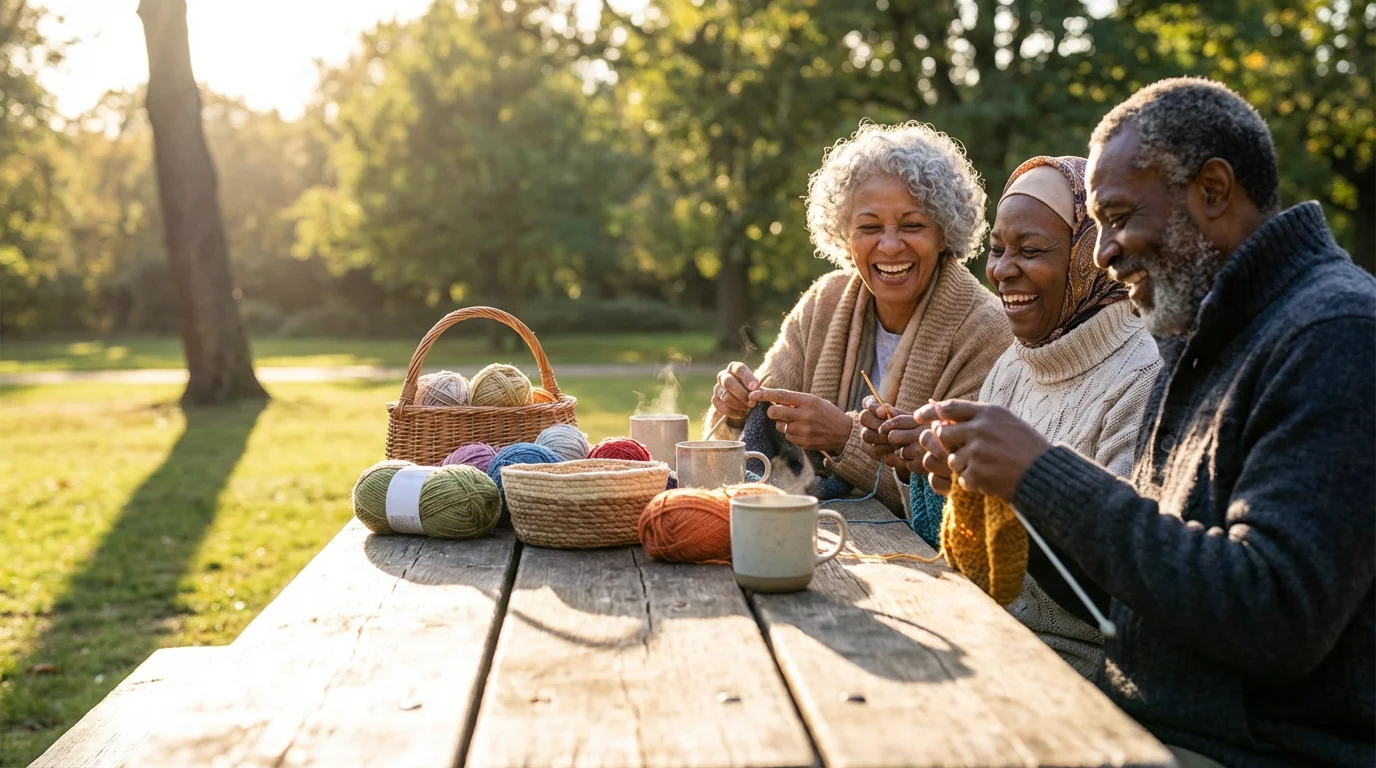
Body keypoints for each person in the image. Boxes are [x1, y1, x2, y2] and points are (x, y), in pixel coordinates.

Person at [909, 78, 1375, 767]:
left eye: (1120, 216)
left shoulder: (1336, 334)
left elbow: (1272, 615)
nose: (1101, 253)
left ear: (1212, 191)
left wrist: (1044, 473)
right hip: (1140, 721)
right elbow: (1139, 595)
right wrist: (1014, 496)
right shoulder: (1200, 336)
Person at [861, 155, 1161, 679]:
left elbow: (1122, 590)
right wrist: (930, 470)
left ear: (1091, 256)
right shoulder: (1014, 364)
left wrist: (1021, 484)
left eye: (1031, 250)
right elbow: (978, 551)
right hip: (985, 635)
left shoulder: (1144, 378)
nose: (1001, 269)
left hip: (1076, 673)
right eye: (997, 249)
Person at [704, 121, 1010, 513]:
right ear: (844, 234)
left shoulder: (988, 332)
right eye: (868, 227)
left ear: (944, 233)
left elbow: (962, 497)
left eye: (912, 225)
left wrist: (844, 438)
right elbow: (750, 432)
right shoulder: (823, 302)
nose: (889, 245)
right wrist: (733, 408)